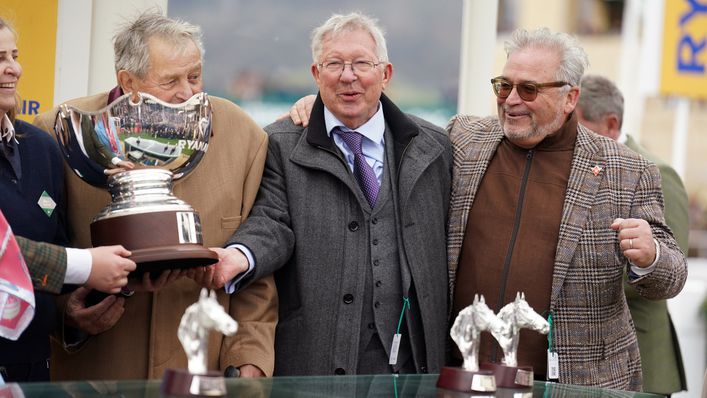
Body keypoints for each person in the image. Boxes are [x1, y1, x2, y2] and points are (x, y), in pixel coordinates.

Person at [33, 10, 276, 379]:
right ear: (127, 81)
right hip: (97, 369)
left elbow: (255, 271)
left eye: (195, 76)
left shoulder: (244, 137)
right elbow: (35, 250)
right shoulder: (60, 132)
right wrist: (67, 315)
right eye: (171, 80)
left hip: (202, 369)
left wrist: (249, 360)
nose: (188, 92)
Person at [209, 12, 452, 376]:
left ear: (385, 74)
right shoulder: (280, 144)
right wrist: (239, 256)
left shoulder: (434, 148)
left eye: (361, 64)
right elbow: (271, 221)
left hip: (410, 367)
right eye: (334, 64)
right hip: (315, 359)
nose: (348, 76)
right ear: (316, 74)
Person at [445, 28, 686, 391]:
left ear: (570, 97)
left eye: (529, 89)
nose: (511, 100)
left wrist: (649, 256)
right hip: (461, 377)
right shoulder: (463, 140)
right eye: (503, 86)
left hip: (576, 382)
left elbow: (673, 275)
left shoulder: (627, 170)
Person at [0, 17, 134, 382]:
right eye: (0, 58)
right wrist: (87, 266)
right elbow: (5, 252)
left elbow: (55, 245)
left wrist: (70, 314)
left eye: (14, 55)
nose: (14, 68)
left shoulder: (41, 148)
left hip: (34, 370)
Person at [576, 74, 688, 395]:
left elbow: (672, 262)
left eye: (578, 124)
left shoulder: (656, 172)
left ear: (611, 124)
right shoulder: (580, 165)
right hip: (589, 361)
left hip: (643, 359)